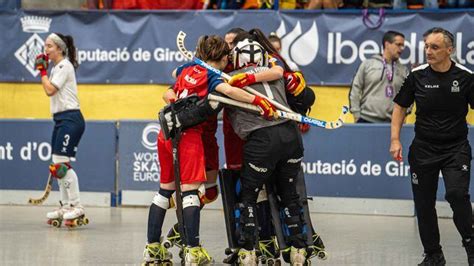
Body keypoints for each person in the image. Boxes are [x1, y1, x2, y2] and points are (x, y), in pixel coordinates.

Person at [142, 35, 276, 265]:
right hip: (189, 135)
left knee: (165, 191)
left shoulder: (188, 69)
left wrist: (177, 88)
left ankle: (152, 248)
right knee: (190, 192)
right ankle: (193, 250)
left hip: (166, 132)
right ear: (225, 58)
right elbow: (231, 92)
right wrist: (260, 102)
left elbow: (175, 76)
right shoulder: (212, 75)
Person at [390, 27, 474, 265]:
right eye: (426, 46)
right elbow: (399, 108)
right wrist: (395, 139)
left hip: (456, 149)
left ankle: (471, 242)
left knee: (457, 195)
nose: (428, 51)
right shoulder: (417, 75)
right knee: (424, 203)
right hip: (423, 149)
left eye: (435, 47)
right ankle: (433, 255)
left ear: (450, 50)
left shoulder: (466, 77)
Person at [225, 37, 309, 265]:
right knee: (289, 193)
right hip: (291, 136)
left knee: (249, 195)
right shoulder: (274, 68)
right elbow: (280, 72)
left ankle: (248, 250)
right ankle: (298, 250)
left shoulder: (230, 79)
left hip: (261, 138)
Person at [35, 33, 86, 227]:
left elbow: (49, 90)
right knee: (58, 164)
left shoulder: (64, 66)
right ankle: (66, 205)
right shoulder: (57, 67)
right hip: (60, 119)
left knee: (61, 165)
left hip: (70, 119)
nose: (45, 50)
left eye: (49, 46)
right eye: (45, 46)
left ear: (59, 49)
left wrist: (42, 71)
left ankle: (76, 205)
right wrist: (46, 70)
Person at [349, 30, 409, 123]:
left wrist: (405, 113)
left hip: (393, 123)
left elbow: (409, 94)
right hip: (366, 120)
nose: (401, 48)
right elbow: (355, 89)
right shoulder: (367, 64)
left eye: (403, 45)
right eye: (398, 44)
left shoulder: (404, 70)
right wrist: (356, 114)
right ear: (387, 44)